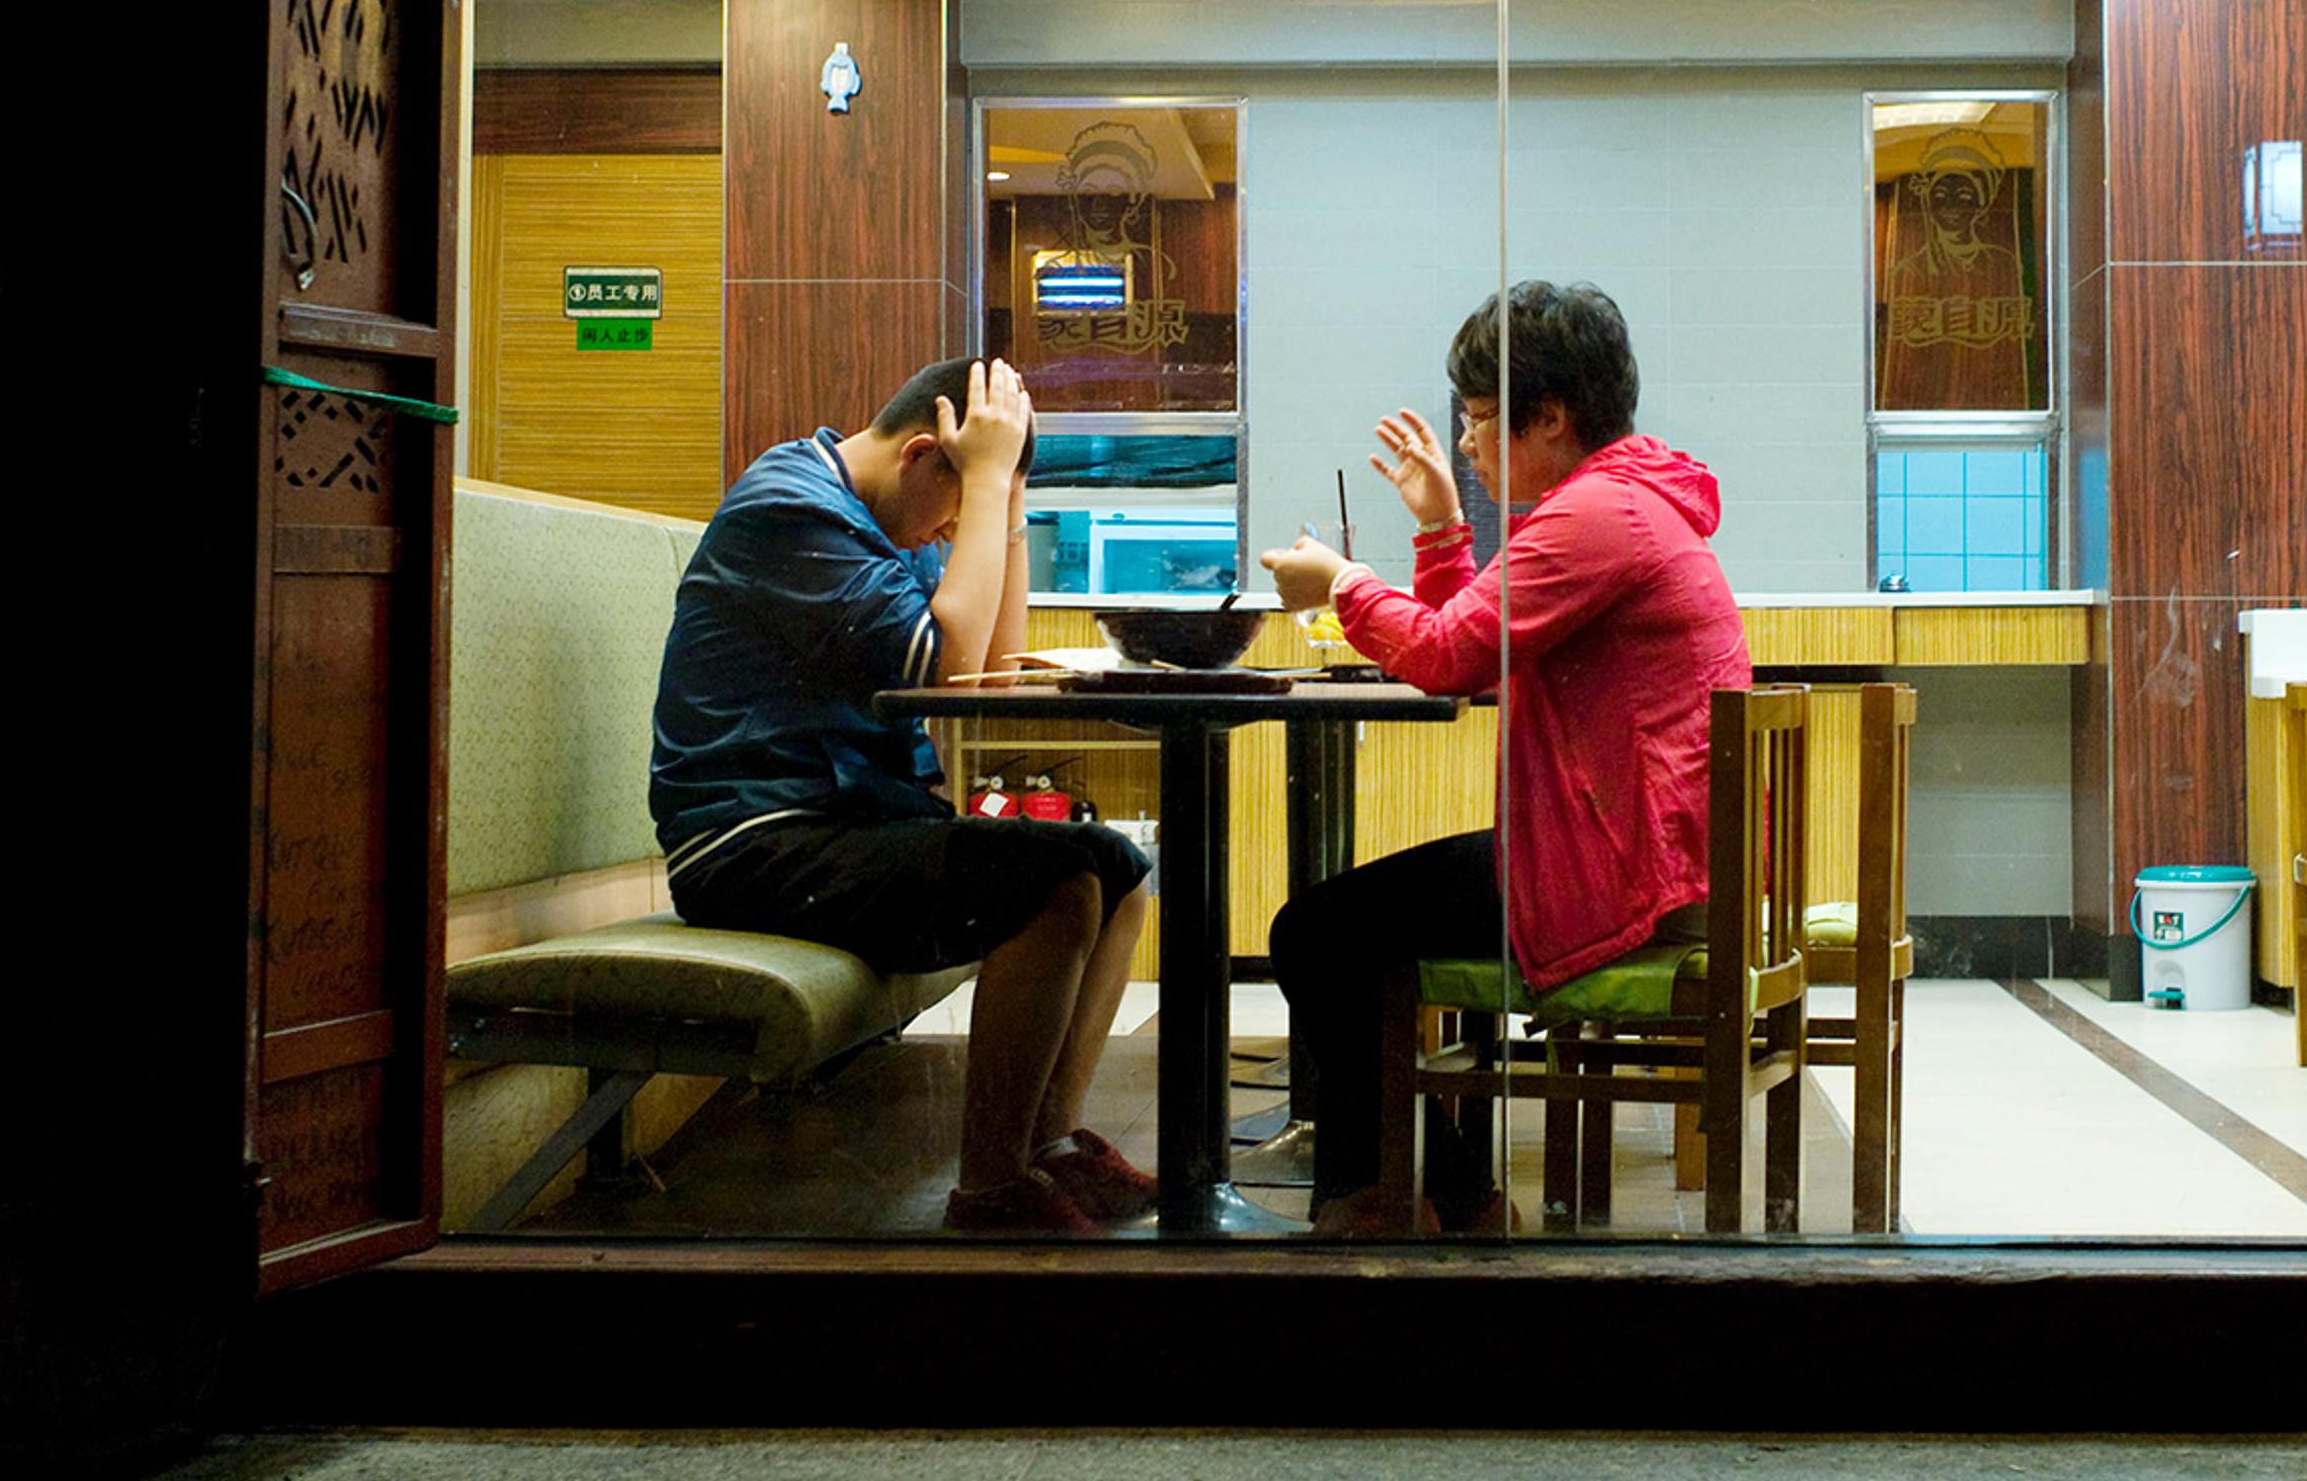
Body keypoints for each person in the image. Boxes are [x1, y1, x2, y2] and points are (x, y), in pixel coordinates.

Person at [1255, 282, 1750, 1235]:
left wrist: (1343, 583)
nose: (1470, 441)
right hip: (1637, 852)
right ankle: (1436, 1197)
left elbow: (1443, 656)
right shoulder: (1624, 499)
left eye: (1482, 419)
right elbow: (1472, 650)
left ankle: (1413, 1200)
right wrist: (1441, 521)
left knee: (1319, 933)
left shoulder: (1598, 515)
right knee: (1339, 926)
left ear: (1552, 416)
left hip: (1624, 870)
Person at [650, 356, 1158, 1232]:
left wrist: (1003, 500)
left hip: (840, 821)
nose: (945, 537)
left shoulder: (879, 524)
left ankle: (1049, 1148)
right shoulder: (793, 507)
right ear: (923, 453)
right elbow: (958, 661)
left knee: (1118, 867)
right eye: (954, 514)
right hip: (750, 839)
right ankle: (992, 1192)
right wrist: (989, 478)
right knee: (1055, 888)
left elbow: (987, 674)